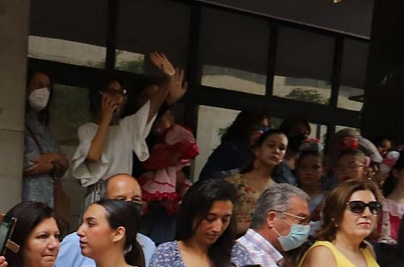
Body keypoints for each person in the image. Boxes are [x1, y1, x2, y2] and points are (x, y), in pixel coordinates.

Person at [70, 54, 185, 205]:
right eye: (112, 91)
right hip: (99, 195)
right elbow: (93, 156)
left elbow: (152, 107)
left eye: (121, 93)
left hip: (124, 196)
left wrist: (168, 79)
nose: (117, 97)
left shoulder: (127, 127)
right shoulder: (86, 129)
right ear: (98, 95)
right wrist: (106, 118)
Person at [232, 183, 311, 267]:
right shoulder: (255, 256)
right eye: (301, 219)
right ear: (271, 218)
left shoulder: (264, 254)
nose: (306, 227)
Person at [52, 174, 156, 267]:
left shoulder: (148, 245)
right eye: (120, 199)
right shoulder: (77, 242)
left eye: (135, 200)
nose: (129, 205)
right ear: (104, 203)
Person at [139, 105, 200, 243]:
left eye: (161, 119)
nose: (157, 125)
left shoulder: (176, 135)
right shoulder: (146, 142)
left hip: (168, 201)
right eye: (154, 121)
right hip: (150, 200)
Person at [224, 128, 289, 236]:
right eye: (271, 146)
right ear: (257, 150)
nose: (276, 151)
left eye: (281, 148)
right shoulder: (233, 183)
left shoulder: (279, 192)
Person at [22, 68, 70, 214]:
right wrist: (55, 161)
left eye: (47, 86)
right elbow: (26, 164)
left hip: (49, 204)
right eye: (39, 85)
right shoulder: (19, 125)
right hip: (26, 202)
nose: (43, 90)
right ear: (26, 88)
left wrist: (52, 158)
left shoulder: (46, 128)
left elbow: (64, 164)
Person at [198, 109, 267, 184]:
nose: (261, 133)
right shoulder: (228, 149)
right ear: (245, 127)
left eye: (265, 128)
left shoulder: (262, 154)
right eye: (257, 127)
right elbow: (206, 177)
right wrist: (239, 171)